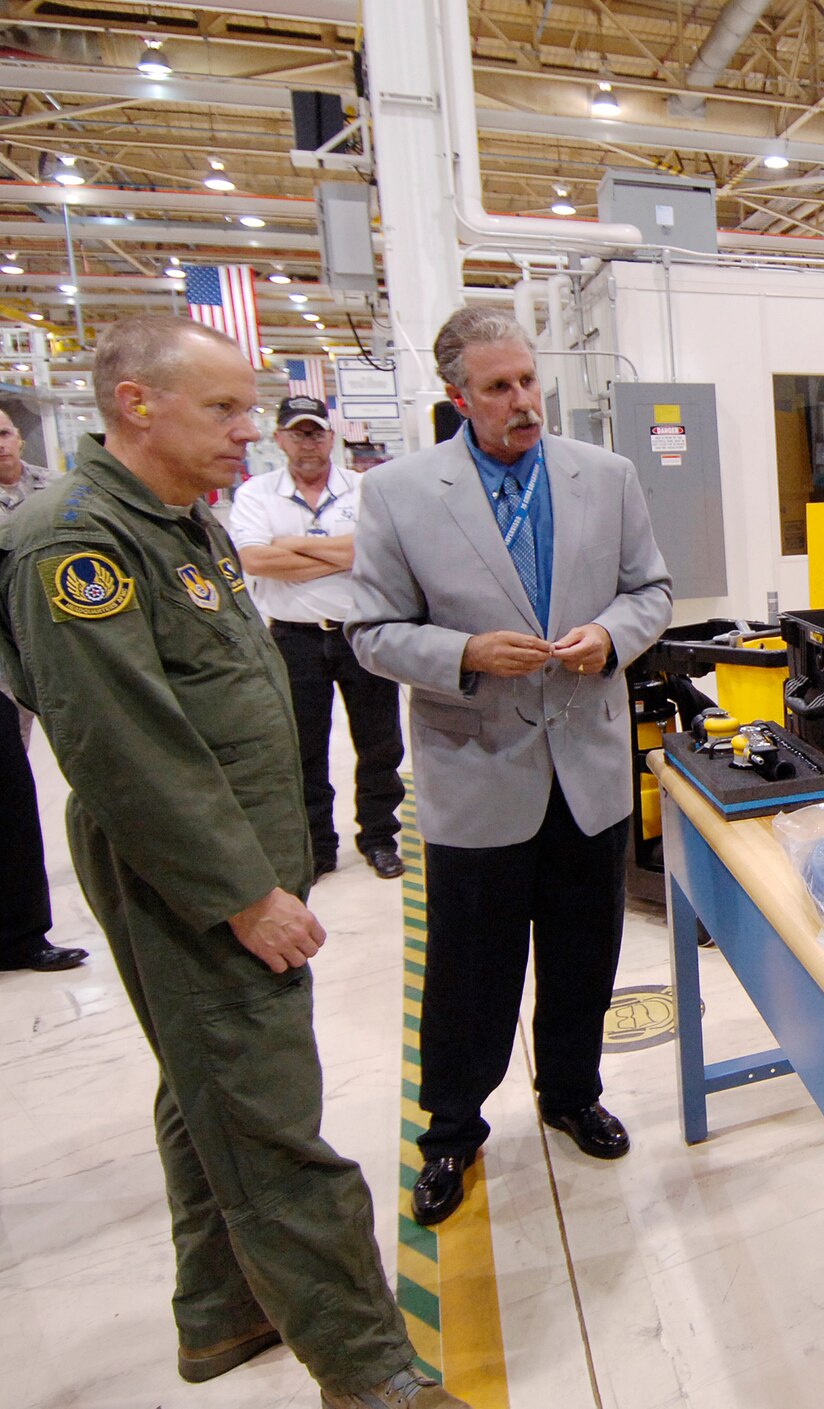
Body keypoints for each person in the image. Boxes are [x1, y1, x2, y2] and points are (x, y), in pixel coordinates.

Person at [0, 317, 466, 1409]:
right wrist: (243, 895)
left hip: (238, 853)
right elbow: (123, 745)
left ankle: (225, 1310)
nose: (249, 430)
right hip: (194, 876)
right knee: (267, 1114)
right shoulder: (75, 542)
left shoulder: (178, 522)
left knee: (207, 1084)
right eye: (224, 408)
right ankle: (370, 1371)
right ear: (136, 405)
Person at [348, 308, 672, 1227]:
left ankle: (571, 1091)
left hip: (589, 767)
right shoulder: (401, 494)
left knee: (584, 954)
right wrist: (461, 654)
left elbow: (651, 588)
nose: (523, 401)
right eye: (499, 387)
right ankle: (452, 1127)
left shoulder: (604, 476)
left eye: (529, 381)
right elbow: (369, 632)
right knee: (470, 970)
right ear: (459, 397)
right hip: (477, 768)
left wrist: (610, 635)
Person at [230, 395, 406, 881]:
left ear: (331, 437)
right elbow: (255, 560)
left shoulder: (367, 488)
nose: (308, 442)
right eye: (297, 433)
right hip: (293, 639)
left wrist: (291, 546)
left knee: (380, 743)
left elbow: (374, 553)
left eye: (315, 432)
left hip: (361, 633)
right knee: (304, 745)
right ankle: (317, 846)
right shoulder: (256, 493)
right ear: (280, 439)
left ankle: (378, 838)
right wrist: (339, 554)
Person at [0, 404, 86, 974]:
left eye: (4, 432)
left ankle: (23, 934)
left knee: (14, 797)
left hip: (46, 658)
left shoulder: (56, 489)